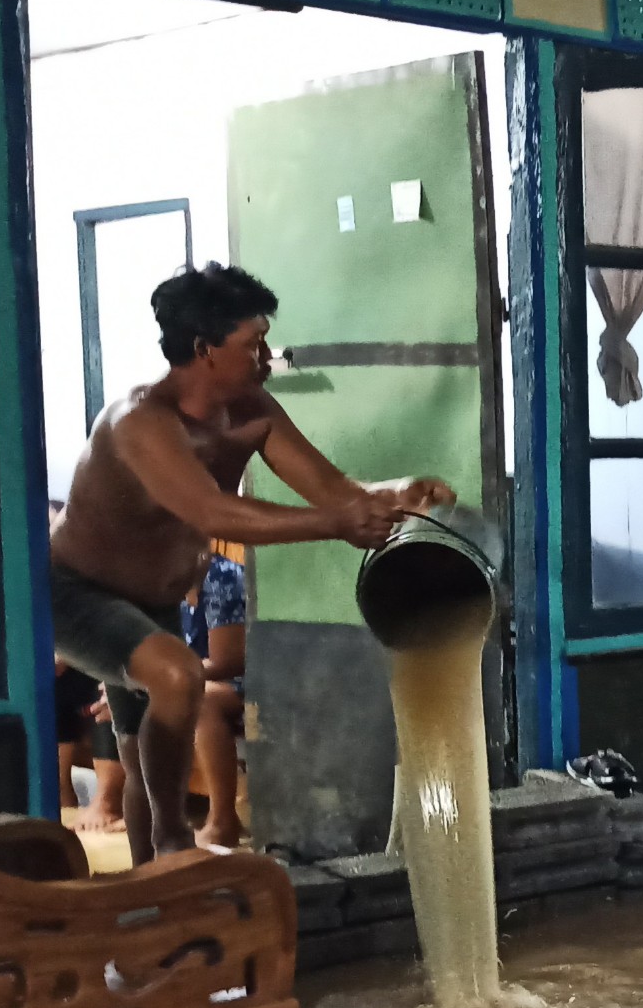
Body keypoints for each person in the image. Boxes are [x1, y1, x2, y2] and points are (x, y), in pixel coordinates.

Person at [48, 264, 451, 864]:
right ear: (205, 351)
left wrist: (395, 493)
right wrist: (335, 526)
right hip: (77, 591)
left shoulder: (250, 408)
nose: (266, 356)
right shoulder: (140, 423)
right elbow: (215, 514)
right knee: (179, 674)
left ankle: (150, 883)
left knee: (137, 751)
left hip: (152, 599)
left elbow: (331, 488)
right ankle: (173, 844)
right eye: (253, 344)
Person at [184, 552, 248, 848]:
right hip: (197, 676)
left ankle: (223, 820)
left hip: (247, 680)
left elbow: (229, 662)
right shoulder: (161, 584)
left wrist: (164, 678)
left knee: (201, 701)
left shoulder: (223, 577)